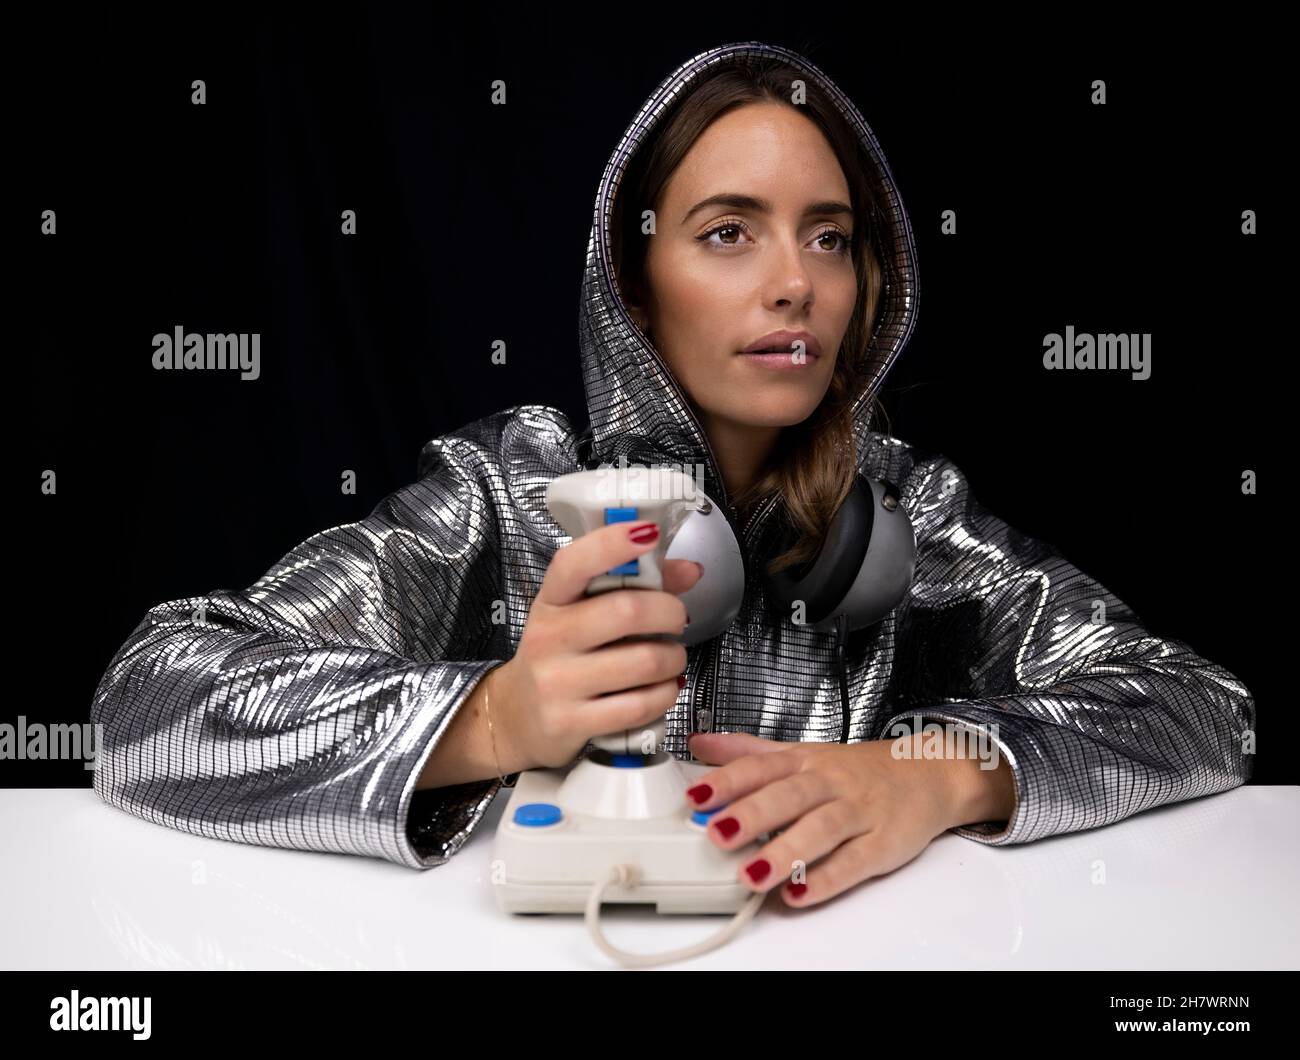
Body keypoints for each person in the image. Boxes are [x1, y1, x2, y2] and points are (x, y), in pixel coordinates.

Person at [89, 42, 1254, 908]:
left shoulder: (911, 516)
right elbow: (146, 706)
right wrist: (488, 718)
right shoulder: (500, 490)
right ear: (631, 286)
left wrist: (932, 775)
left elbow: (1205, 708)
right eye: (728, 231)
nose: (794, 282)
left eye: (830, 235)